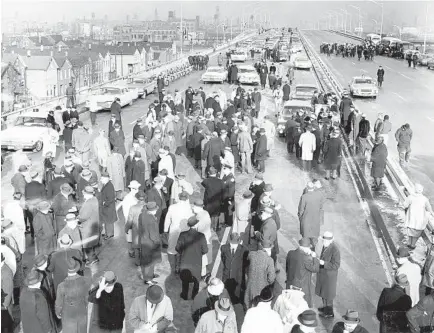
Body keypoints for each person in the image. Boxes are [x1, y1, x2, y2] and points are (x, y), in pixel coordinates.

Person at [176, 215, 208, 300]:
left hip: (185, 263)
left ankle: (184, 295)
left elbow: (177, 248)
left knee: (185, 281)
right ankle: (194, 296)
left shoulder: (182, 234)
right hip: (196, 264)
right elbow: (205, 250)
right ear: (196, 225)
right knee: (196, 282)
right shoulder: (201, 236)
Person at [55, 258, 90, 333]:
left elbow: (59, 303)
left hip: (68, 316)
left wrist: (58, 312)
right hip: (81, 312)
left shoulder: (61, 286)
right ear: (77, 268)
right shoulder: (85, 280)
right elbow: (87, 298)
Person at [286, 237, 320, 307]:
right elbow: (316, 269)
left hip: (290, 282)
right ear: (307, 247)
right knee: (302, 304)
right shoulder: (307, 258)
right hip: (301, 285)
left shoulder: (290, 253)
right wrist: (314, 258)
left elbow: (287, 267)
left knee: (290, 302)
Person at [315, 231, 341, 318]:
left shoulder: (335, 250)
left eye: (326, 241)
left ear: (331, 241)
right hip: (324, 274)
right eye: (323, 241)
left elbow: (336, 265)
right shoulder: (326, 246)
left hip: (329, 277)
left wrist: (324, 263)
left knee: (328, 295)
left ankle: (329, 312)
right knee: (324, 293)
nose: (324, 242)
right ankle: (325, 308)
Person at [244, 240, 276, 309]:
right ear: (268, 249)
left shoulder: (251, 254)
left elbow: (246, 270)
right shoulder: (269, 260)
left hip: (250, 287)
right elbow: (271, 278)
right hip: (261, 290)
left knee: (249, 308)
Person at [402, 183, 434, 249]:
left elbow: (405, 205)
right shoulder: (424, 199)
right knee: (416, 234)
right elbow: (429, 209)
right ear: (421, 190)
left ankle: (409, 243)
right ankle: (413, 245)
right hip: (420, 221)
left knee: (411, 231)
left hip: (411, 219)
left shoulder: (410, 197)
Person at [221, 232, 249, 304]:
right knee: (227, 294)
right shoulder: (224, 248)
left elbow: (245, 263)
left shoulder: (244, 250)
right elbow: (223, 259)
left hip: (237, 276)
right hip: (227, 275)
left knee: (235, 296)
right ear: (239, 240)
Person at [138, 201, 162, 285]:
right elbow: (153, 235)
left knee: (146, 260)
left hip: (143, 241)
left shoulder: (142, 215)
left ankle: (150, 274)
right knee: (150, 261)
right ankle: (148, 279)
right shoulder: (151, 219)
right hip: (150, 243)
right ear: (153, 210)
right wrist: (157, 242)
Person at [78, 186, 100, 266]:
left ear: (87, 194)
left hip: (88, 226)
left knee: (87, 245)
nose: (83, 195)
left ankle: (92, 260)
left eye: (84, 193)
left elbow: (84, 217)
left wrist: (77, 218)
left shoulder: (88, 203)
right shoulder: (94, 199)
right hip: (93, 225)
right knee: (91, 244)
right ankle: (93, 258)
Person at [298, 182, 323, 250]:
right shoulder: (319, 195)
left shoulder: (304, 197)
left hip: (306, 222)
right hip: (316, 222)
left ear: (307, 187)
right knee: (314, 240)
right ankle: (313, 252)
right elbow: (321, 208)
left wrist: (301, 219)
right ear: (313, 188)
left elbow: (301, 210)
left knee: (306, 239)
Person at [201, 167, 224, 231]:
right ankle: (215, 227)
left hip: (208, 202)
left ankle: (209, 228)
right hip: (217, 202)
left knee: (208, 215)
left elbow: (203, 184)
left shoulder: (206, 181)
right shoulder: (221, 181)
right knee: (216, 215)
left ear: (208, 173)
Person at [100, 171, 117, 240]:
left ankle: (109, 234)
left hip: (108, 207)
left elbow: (110, 198)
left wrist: (105, 203)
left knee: (108, 221)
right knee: (109, 221)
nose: (100, 180)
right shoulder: (108, 184)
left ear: (106, 178)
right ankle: (110, 233)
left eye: (102, 178)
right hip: (109, 207)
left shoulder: (109, 186)